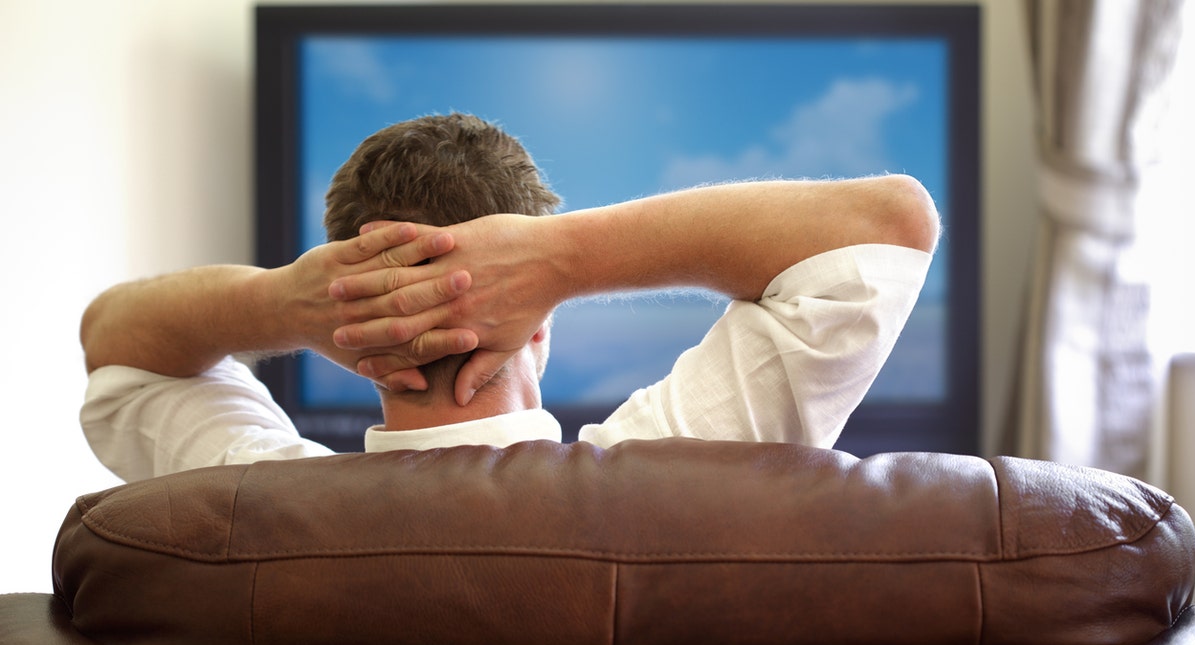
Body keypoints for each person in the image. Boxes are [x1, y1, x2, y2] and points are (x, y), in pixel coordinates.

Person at [80, 113, 938, 482]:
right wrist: (562, 260)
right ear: (539, 325)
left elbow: (114, 345)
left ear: (352, 336)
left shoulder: (252, 503)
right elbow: (889, 224)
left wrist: (283, 305)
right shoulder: (671, 472)